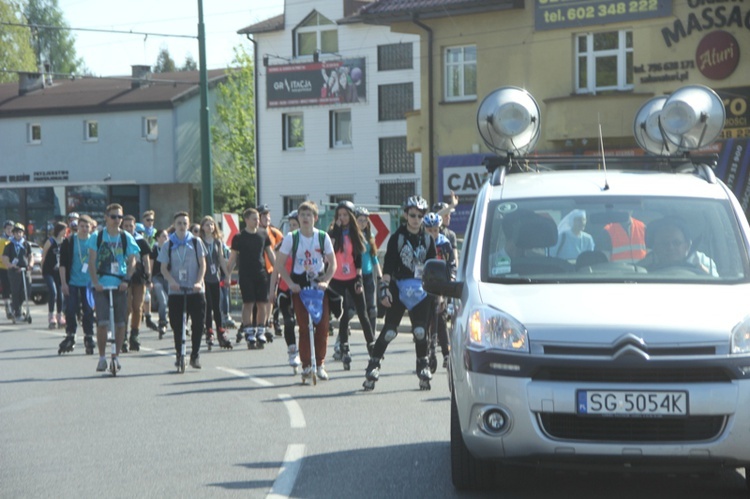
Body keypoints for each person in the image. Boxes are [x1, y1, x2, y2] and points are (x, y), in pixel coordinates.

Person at [364, 195, 437, 391]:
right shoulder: (397, 238)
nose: (416, 219)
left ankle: (422, 366)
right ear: (406, 214)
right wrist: (384, 290)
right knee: (389, 330)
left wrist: (439, 293)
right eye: (412, 215)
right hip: (399, 287)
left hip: (420, 290)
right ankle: (373, 365)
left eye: (420, 216)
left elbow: (432, 269)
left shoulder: (429, 240)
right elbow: (388, 267)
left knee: (420, 331)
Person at [275, 201, 337, 380]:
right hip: (299, 284)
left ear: (315, 218)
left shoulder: (322, 237)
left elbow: (333, 264)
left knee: (322, 325)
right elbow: (279, 264)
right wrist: (290, 283)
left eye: (309, 215)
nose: (305, 218)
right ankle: (306, 365)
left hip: (318, 283)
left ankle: (320, 363)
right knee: (303, 326)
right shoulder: (291, 238)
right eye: (302, 215)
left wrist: (326, 281)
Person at [87, 203, 140, 373]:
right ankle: (102, 357)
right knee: (102, 323)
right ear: (106, 217)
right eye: (113, 216)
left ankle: (115, 356)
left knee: (120, 323)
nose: (117, 220)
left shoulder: (126, 237)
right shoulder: (97, 236)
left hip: (120, 285)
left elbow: (132, 260)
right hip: (102, 285)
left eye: (119, 217)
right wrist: (95, 282)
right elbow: (91, 262)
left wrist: (127, 279)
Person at [327, 201, 376, 369]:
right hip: (337, 279)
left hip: (353, 277)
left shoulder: (356, 234)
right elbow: (329, 249)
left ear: (351, 216)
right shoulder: (334, 232)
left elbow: (358, 258)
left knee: (362, 313)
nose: (342, 218)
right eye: (340, 215)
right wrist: (336, 230)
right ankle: (344, 346)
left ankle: (371, 345)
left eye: (345, 215)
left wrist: (359, 278)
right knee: (346, 312)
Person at [158, 211, 207, 369]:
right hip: (176, 290)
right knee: (177, 324)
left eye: (185, 223)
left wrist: (199, 282)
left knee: (198, 323)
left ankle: (195, 355)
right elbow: (163, 268)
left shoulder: (195, 242)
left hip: (195, 289)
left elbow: (203, 264)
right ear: (175, 225)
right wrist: (171, 281)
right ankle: (180, 353)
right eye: (179, 223)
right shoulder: (169, 244)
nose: (182, 226)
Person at [227, 208, 275, 348]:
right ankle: (248, 331)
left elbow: (270, 254)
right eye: (254, 218)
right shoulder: (239, 237)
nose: (257, 221)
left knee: (262, 303)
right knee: (248, 303)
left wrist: (278, 270)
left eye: (258, 218)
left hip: (261, 273)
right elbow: (233, 258)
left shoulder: (263, 234)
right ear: (246, 220)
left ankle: (261, 329)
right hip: (246, 274)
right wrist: (227, 275)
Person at [58, 215, 96, 355]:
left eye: (87, 226)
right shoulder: (69, 242)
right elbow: (62, 265)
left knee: (88, 311)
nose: (84, 229)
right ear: (77, 227)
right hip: (72, 282)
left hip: (88, 283)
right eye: (82, 226)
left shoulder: (94, 241)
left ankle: (89, 336)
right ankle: (71, 334)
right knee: (71, 309)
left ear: (91, 227)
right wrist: (63, 283)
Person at [269, 210, 301, 369]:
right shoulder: (283, 244)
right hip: (284, 288)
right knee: (289, 321)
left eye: (296, 225)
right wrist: (271, 290)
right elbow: (276, 269)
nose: (292, 228)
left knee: (304, 323)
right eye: (291, 225)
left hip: (302, 288)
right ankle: (292, 351)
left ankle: (306, 352)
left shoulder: (308, 242)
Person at [423, 212, 455, 371]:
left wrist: (451, 281)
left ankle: (446, 353)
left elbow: (451, 264)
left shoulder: (445, 244)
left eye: (435, 230)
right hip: (425, 286)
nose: (433, 234)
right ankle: (428, 350)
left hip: (441, 285)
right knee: (427, 319)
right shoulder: (421, 243)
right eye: (429, 230)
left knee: (441, 319)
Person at [639, 218, 719, 276]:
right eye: (664, 243)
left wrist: (706, 275)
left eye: (676, 243)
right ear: (655, 248)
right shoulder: (642, 268)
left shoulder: (703, 262)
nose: (670, 247)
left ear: (687, 246)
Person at [199, 215, 233, 349]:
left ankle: (220, 329)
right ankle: (209, 330)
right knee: (208, 306)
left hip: (215, 277)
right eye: (207, 225)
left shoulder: (217, 242)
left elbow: (221, 259)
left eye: (212, 225)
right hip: (204, 278)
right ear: (202, 227)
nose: (210, 227)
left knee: (217, 306)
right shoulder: (200, 241)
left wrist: (227, 275)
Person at [121, 215, 151, 352]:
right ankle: (123, 336)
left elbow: (146, 259)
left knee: (138, 307)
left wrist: (148, 276)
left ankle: (135, 334)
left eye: (130, 226)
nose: (128, 228)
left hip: (139, 277)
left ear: (135, 226)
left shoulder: (141, 241)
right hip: (124, 276)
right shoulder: (120, 240)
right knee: (126, 307)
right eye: (125, 226)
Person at [354, 206, 382, 338]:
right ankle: (341, 341)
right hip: (354, 277)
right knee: (349, 311)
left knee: (372, 310)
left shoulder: (369, 236)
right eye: (360, 220)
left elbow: (374, 257)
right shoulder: (351, 236)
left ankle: (372, 337)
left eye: (365, 221)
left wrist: (380, 276)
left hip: (368, 275)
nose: (363, 223)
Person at [259, 204, 284, 342]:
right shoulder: (254, 232)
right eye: (263, 215)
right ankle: (257, 324)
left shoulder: (275, 233)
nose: (267, 218)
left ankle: (266, 323)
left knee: (269, 298)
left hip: (271, 270)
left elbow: (284, 248)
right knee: (258, 300)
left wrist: (279, 267)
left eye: (268, 215)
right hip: (257, 270)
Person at [1, 223, 35, 321]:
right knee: (15, 291)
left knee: (26, 290)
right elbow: (5, 258)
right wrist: (11, 265)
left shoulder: (26, 244)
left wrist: (30, 265)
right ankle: (17, 312)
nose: (18, 234)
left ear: (23, 233)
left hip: (25, 270)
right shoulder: (9, 245)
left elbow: (30, 256)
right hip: (14, 271)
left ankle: (15, 306)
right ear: (14, 234)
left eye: (20, 232)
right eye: (16, 232)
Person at [41, 221, 67, 329]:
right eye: (64, 230)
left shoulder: (65, 241)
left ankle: (60, 315)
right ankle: (51, 315)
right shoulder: (51, 241)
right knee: (53, 291)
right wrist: (42, 268)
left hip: (59, 271)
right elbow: (44, 255)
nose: (65, 232)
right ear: (59, 230)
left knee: (60, 294)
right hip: (49, 271)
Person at [150, 229, 170, 338]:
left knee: (174, 300)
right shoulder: (154, 250)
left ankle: (182, 324)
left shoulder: (170, 249)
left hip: (168, 278)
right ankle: (162, 322)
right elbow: (151, 266)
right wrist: (149, 280)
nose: (166, 238)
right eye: (163, 236)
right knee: (163, 300)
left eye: (167, 236)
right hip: (157, 278)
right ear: (158, 238)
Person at [0, 220, 14, 318]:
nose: (10, 230)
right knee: (6, 287)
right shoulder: (1, 240)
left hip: (13, 267)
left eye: (11, 229)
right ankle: (7, 306)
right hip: (3, 267)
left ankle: (16, 306)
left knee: (15, 287)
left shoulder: (15, 240)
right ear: (4, 229)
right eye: (8, 228)